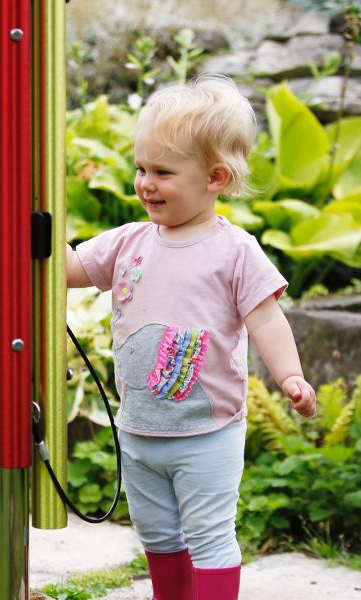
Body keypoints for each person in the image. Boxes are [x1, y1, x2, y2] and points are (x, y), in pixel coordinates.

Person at [65, 74, 316, 600]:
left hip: (208, 435)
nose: (145, 183)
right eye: (140, 168)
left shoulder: (235, 250)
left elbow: (267, 319)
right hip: (140, 430)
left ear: (215, 178)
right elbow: (68, 268)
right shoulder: (130, 242)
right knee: (156, 536)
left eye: (162, 172)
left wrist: (290, 375)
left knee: (208, 537)